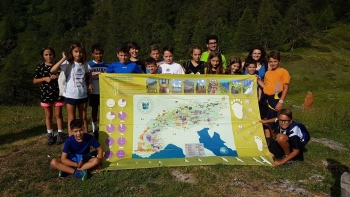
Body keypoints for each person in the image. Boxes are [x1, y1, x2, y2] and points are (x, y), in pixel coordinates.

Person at [51, 43, 99, 136]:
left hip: (83, 94)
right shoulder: (68, 63)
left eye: (81, 52)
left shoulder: (85, 64)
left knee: (83, 117)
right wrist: (63, 58)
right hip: (71, 94)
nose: (78, 54)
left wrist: (93, 74)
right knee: (72, 118)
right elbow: (53, 70)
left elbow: (86, 74)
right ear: (72, 52)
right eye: (76, 52)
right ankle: (71, 138)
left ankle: (85, 137)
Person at [258, 51, 290, 144]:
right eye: (271, 61)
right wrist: (258, 80)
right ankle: (268, 139)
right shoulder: (267, 73)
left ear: (279, 61)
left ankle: (275, 139)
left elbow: (286, 88)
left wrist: (281, 101)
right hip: (265, 98)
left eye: (275, 61)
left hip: (275, 98)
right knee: (264, 119)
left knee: (274, 120)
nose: (273, 63)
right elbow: (265, 87)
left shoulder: (283, 72)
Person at [33, 47, 64, 145]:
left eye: (50, 54)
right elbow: (34, 80)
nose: (49, 56)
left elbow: (65, 77)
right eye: (46, 55)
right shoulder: (40, 67)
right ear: (43, 56)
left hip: (58, 94)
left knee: (58, 114)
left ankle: (60, 133)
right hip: (46, 95)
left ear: (54, 55)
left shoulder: (59, 66)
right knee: (48, 115)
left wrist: (58, 77)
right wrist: (44, 79)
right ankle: (50, 133)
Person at [87, 44, 110, 140]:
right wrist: (89, 83)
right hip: (94, 91)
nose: (99, 55)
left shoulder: (108, 65)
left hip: (105, 92)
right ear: (93, 54)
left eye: (100, 53)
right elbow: (86, 76)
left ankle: (106, 127)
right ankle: (94, 129)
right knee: (94, 110)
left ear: (103, 54)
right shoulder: (89, 65)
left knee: (106, 110)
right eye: (96, 54)